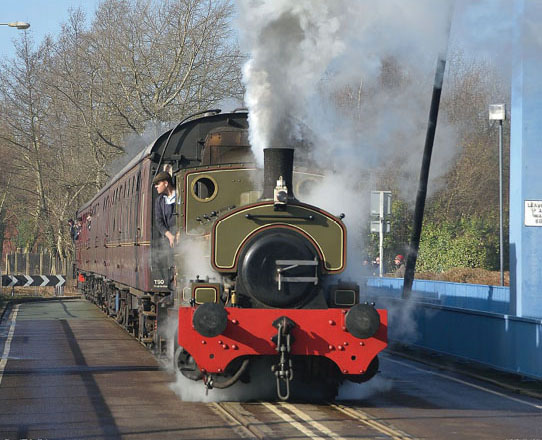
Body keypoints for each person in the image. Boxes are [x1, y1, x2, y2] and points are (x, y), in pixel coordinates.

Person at [153, 171, 177, 247]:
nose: (155, 187)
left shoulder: (181, 195)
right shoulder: (159, 201)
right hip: (169, 239)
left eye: (158, 184)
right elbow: (159, 222)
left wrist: (180, 232)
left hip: (184, 236)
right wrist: (170, 236)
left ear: (166, 183)